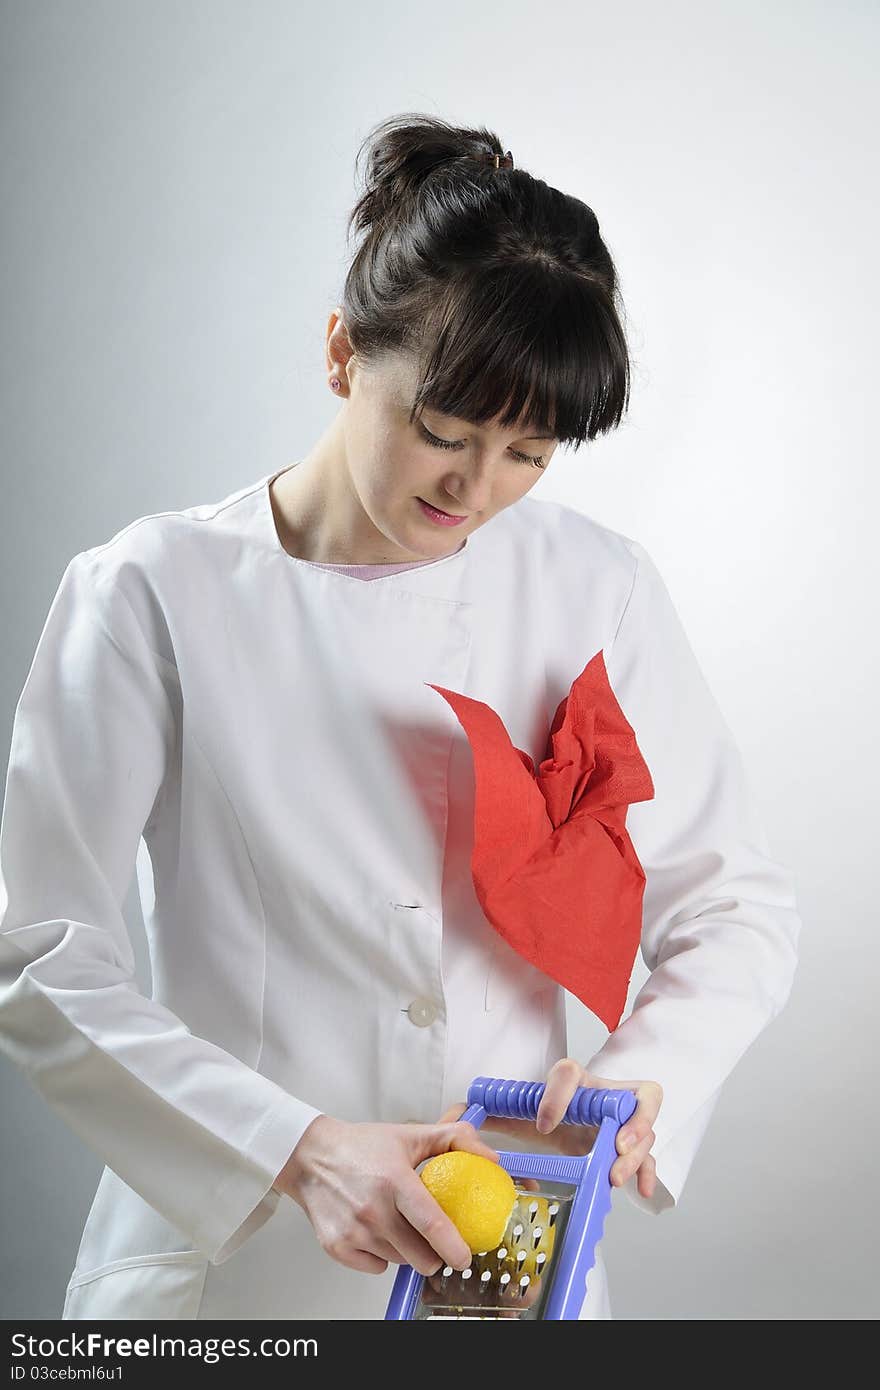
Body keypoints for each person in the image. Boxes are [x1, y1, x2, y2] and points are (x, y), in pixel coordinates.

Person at [0, 113, 801, 1322]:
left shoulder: (597, 586)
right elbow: (38, 950)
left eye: (527, 453)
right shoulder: (150, 592)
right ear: (339, 353)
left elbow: (733, 904)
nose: (474, 491)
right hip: (235, 1266)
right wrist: (296, 1147)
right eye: (441, 432)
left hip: (507, 1259)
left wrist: (640, 1086)